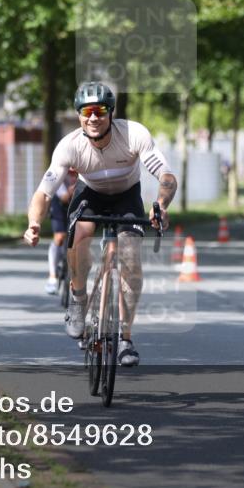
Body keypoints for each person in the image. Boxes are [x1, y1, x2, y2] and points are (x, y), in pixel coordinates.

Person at [23, 82, 177, 367]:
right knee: (79, 235)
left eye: (100, 110)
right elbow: (44, 192)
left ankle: (125, 339)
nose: (94, 117)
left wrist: (161, 205)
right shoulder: (70, 146)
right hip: (89, 193)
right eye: (87, 111)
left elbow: (166, 175)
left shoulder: (134, 134)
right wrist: (34, 223)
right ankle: (78, 298)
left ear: (110, 113)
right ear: (80, 115)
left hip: (126, 196)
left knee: (130, 256)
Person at [44, 169, 78, 294]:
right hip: (59, 204)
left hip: (76, 204)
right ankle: (52, 277)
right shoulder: (60, 170)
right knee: (59, 236)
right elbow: (64, 197)